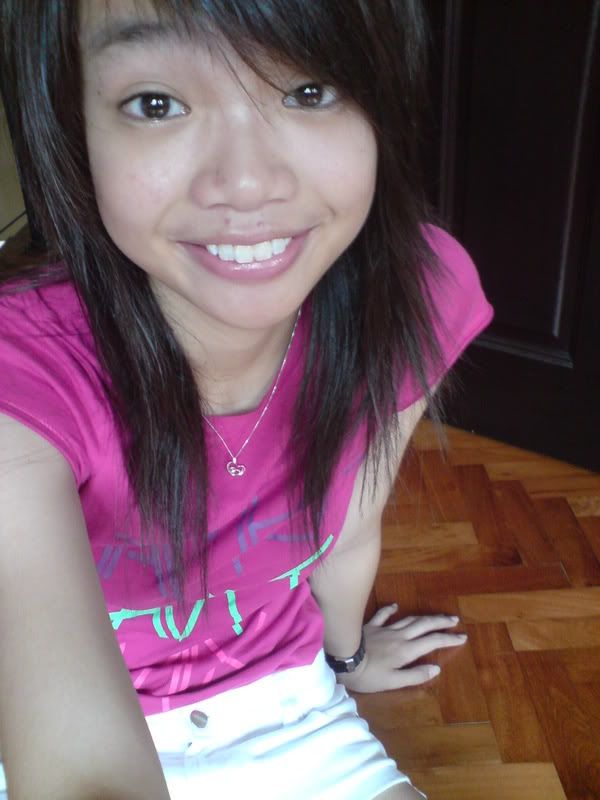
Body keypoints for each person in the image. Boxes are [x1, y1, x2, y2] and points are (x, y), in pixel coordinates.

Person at [0, 1, 494, 798]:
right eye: (155, 103)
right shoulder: (20, 368)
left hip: (291, 711)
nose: (247, 183)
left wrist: (347, 661)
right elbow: (80, 773)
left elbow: (349, 529)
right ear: (71, 126)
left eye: (308, 89)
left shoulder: (415, 295)